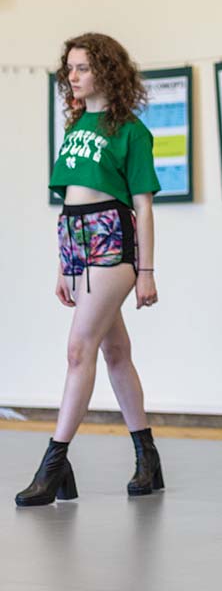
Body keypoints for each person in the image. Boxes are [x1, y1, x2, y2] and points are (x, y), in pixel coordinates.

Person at [16, 33, 164, 506]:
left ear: (106, 70)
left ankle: (55, 463)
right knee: (115, 352)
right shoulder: (76, 125)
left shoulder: (132, 131)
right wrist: (63, 264)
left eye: (82, 68)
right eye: (70, 69)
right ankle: (148, 458)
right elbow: (68, 200)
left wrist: (146, 269)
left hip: (111, 237)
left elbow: (142, 204)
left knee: (79, 350)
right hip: (74, 241)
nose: (73, 77)